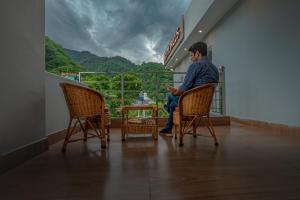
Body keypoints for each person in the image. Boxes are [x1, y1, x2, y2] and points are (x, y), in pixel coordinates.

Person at [159, 41, 219, 136]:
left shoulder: (195, 65)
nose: (191, 59)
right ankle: (167, 126)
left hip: (191, 105)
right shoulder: (215, 68)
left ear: (198, 53)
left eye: (191, 55)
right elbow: (197, 86)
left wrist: (174, 92)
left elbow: (184, 88)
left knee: (171, 98)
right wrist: (178, 91)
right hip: (205, 106)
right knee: (172, 102)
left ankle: (168, 126)